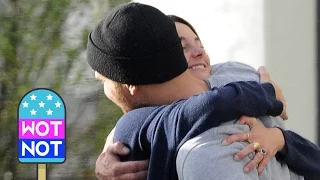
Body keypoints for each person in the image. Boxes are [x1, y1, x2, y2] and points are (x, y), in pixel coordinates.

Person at [94, 11, 320, 180]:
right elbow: (208, 105)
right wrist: (267, 93)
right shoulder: (146, 128)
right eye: (180, 47)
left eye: (199, 43)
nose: (198, 51)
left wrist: (281, 140)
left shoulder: (236, 75)